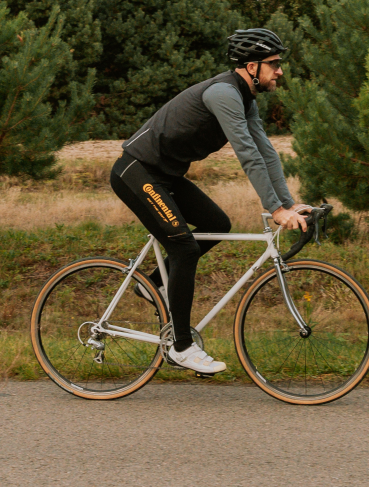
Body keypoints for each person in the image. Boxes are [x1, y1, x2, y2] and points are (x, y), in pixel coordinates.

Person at [109, 27, 312, 375]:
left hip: (165, 176)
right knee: (184, 249)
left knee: (218, 224)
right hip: (136, 171)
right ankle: (181, 347)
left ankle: (155, 283)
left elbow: (265, 151)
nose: (280, 70)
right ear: (251, 66)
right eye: (274, 63)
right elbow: (246, 154)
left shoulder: (246, 98)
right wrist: (275, 210)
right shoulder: (223, 94)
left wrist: (288, 203)